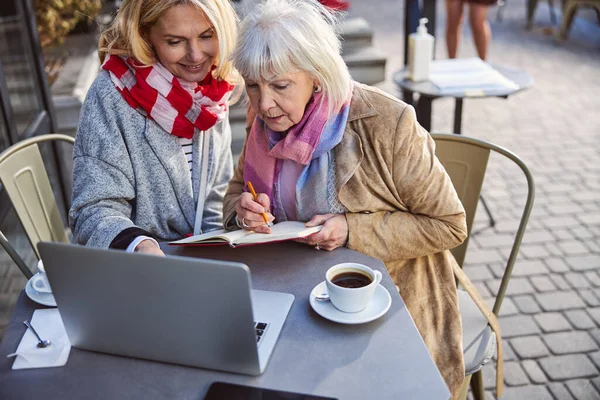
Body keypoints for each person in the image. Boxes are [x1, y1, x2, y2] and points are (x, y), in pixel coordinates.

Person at [223, 0, 468, 396]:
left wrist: (351, 228)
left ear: (317, 77)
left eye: (280, 86)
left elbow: (448, 224)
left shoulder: (388, 123)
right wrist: (243, 211)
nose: (263, 103)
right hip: (292, 300)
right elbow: (235, 195)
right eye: (253, 85)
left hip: (387, 308)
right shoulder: (265, 121)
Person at [69, 0, 240, 256]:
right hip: (135, 272)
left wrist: (238, 218)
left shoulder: (212, 91)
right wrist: (138, 244)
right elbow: (93, 209)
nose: (195, 55)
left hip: (201, 267)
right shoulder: (110, 96)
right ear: (144, 35)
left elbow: (216, 199)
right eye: (175, 42)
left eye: (207, 36)